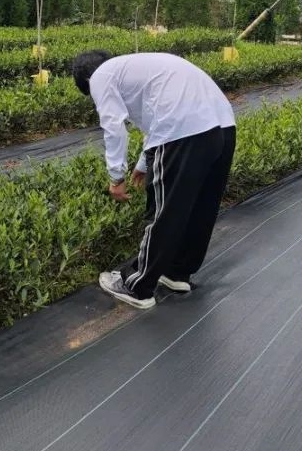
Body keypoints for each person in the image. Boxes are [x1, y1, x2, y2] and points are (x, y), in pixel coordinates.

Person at [71, 50, 236, 310]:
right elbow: (156, 115)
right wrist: (142, 164)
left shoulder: (100, 76)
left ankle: (137, 285)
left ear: (88, 81)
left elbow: (114, 126)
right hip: (223, 126)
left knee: (164, 210)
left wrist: (116, 177)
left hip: (184, 130)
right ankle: (177, 272)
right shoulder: (139, 67)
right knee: (199, 207)